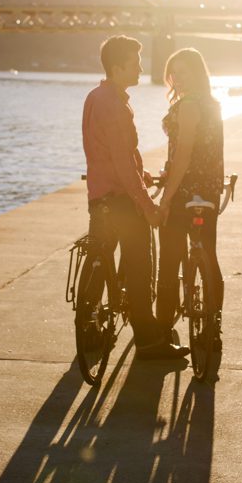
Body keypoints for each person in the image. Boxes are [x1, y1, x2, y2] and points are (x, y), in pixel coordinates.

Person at [82, 35, 190, 360]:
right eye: (135, 62)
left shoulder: (96, 97)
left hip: (99, 195)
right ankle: (148, 342)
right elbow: (122, 160)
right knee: (139, 265)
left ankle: (87, 330)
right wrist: (148, 205)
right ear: (117, 67)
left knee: (98, 258)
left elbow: (108, 154)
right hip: (120, 200)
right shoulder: (114, 104)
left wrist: (141, 174)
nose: (142, 67)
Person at [156, 48, 225, 348]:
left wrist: (166, 197)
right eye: (174, 73)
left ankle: (160, 335)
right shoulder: (213, 104)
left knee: (170, 261)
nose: (178, 79)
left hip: (184, 190)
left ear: (196, 73)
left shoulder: (187, 106)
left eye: (183, 72)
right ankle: (213, 327)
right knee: (208, 252)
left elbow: (183, 154)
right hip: (209, 189)